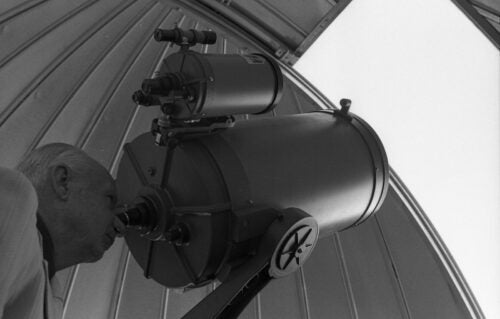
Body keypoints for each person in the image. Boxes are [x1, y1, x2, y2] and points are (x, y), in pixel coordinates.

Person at [0, 143, 125, 319]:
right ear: (63, 181)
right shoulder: (12, 199)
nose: (120, 227)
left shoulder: (52, 297)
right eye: (110, 199)